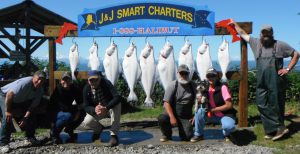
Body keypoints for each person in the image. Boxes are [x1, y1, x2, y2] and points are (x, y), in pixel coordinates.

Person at [231, 19, 299, 141]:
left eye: (268, 33)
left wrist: (288, 69)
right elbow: (241, 32)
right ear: (260, 34)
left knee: (276, 104)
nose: (265, 35)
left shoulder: (280, 45)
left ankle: (278, 128)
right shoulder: (255, 43)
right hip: (261, 81)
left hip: (276, 80)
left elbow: (296, 54)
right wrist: (234, 23)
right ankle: (273, 128)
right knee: (261, 103)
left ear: (272, 34)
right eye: (264, 33)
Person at [0, 70, 46, 153]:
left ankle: (30, 137)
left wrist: (25, 117)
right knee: (7, 117)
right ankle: (3, 144)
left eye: (42, 80)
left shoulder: (40, 90)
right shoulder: (25, 83)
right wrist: (8, 111)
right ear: (33, 77)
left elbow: (32, 106)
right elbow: (9, 95)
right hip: (4, 96)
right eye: (38, 79)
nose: (39, 82)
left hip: (20, 100)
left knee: (31, 115)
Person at [191, 68, 236, 142]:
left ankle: (227, 133)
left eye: (213, 75)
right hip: (211, 114)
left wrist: (213, 110)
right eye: (208, 76)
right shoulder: (205, 87)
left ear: (217, 77)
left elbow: (229, 105)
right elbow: (200, 102)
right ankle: (198, 134)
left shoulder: (223, 87)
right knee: (199, 112)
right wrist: (195, 116)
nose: (210, 78)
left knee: (229, 126)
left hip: (224, 114)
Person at [80, 70, 121, 147]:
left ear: (100, 78)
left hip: (108, 108)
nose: (93, 82)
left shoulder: (107, 83)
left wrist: (106, 107)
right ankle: (98, 130)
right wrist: (94, 110)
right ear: (88, 81)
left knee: (117, 105)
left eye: (96, 79)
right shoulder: (86, 89)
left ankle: (114, 135)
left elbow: (117, 97)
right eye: (91, 80)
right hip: (97, 110)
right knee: (87, 121)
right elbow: (86, 106)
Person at [157, 64, 196, 142]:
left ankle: (184, 131)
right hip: (173, 112)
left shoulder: (193, 85)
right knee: (162, 118)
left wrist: (195, 115)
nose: (184, 75)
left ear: (189, 74)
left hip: (186, 115)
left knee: (187, 137)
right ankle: (166, 135)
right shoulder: (172, 85)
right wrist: (172, 117)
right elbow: (166, 103)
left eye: (186, 73)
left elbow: (198, 102)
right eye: (182, 73)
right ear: (178, 73)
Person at [48, 71, 85, 144]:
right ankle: (54, 134)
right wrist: (76, 109)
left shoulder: (74, 88)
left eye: (68, 79)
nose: (66, 81)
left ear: (71, 81)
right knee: (68, 115)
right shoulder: (58, 89)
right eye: (64, 79)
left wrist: (79, 110)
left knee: (83, 112)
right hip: (55, 112)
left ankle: (69, 129)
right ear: (61, 81)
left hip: (67, 109)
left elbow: (80, 102)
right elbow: (63, 107)